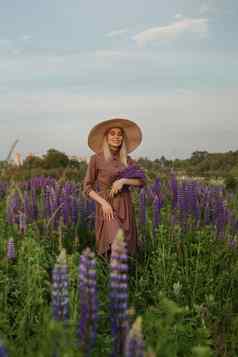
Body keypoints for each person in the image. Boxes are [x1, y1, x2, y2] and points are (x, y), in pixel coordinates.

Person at [83, 118, 146, 257]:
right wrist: (103, 203)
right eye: (112, 133)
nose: (116, 137)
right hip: (107, 206)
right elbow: (87, 187)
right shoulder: (96, 159)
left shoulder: (127, 160)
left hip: (124, 204)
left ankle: (120, 275)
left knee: (125, 247)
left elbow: (142, 181)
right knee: (116, 241)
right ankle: (112, 273)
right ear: (106, 137)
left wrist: (124, 180)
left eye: (119, 134)